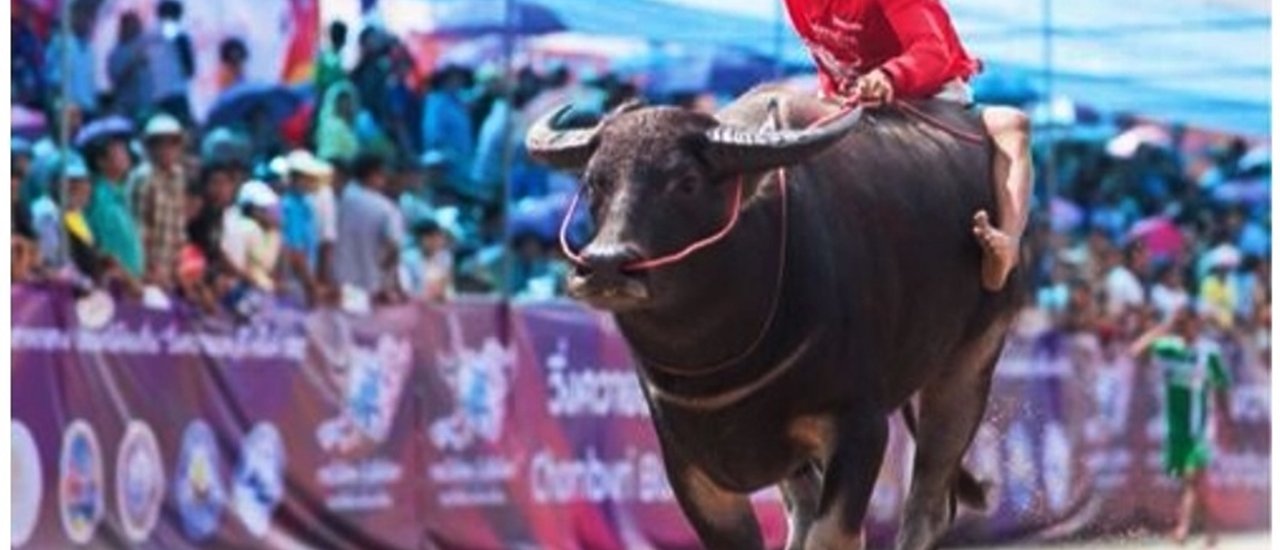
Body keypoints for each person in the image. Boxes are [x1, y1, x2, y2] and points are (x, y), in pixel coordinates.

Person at [782, 0, 1032, 291]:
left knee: (1013, 126)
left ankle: (1008, 245)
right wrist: (833, 98)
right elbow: (829, 60)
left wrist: (890, 76)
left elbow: (932, 51)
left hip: (930, 95)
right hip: (856, 103)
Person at [1130, 308, 1232, 546]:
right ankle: (1211, 529)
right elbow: (1136, 351)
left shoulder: (1209, 352)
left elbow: (1222, 387)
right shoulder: (1169, 348)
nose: (1186, 328)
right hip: (1175, 430)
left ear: (1198, 324)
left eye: (1190, 323)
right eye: (1182, 324)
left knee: (1191, 476)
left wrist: (1226, 420)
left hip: (1200, 428)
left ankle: (1182, 529)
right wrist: (1165, 327)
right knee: (1192, 482)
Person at [333, 153, 405, 305]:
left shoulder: (338, 199)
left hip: (336, 284)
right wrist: (392, 284)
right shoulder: (386, 208)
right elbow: (393, 249)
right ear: (374, 175)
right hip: (371, 286)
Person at [128, 114, 189, 289]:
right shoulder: (144, 177)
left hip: (172, 268)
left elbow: (178, 224)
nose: (167, 149)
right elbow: (139, 227)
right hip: (148, 270)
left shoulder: (179, 176)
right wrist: (149, 267)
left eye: (173, 143)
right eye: (160, 143)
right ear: (149, 147)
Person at [83, 133, 145, 278]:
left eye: (125, 151)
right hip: (116, 279)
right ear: (101, 162)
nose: (125, 156)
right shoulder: (98, 197)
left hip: (132, 277)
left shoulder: (120, 192)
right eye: (119, 152)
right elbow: (105, 243)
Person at [144, 0, 197, 125]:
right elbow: (189, 67)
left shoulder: (148, 34)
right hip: (175, 92)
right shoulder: (173, 30)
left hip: (155, 95)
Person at [107, 11, 151, 119]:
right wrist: (132, 64)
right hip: (127, 107)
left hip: (146, 105)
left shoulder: (144, 48)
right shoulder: (117, 53)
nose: (136, 29)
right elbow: (116, 80)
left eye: (137, 25)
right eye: (132, 25)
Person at [400, 219, 454, 302]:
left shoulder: (445, 257)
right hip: (415, 303)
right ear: (419, 239)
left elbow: (448, 288)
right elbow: (406, 289)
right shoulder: (408, 259)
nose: (435, 241)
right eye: (430, 237)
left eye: (438, 236)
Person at [316, 82, 360, 162]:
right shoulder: (331, 124)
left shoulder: (355, 123)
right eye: (341, 102)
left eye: (348, 102)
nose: (345, 105)